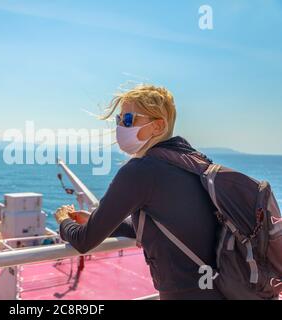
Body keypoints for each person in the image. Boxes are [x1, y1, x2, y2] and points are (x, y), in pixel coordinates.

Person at [54, 84, 224, 300]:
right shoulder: (195, 162)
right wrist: (100, 223)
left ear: (157, 126)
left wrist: (62, 221)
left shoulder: (139, 171)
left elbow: (83, 241)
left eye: (128, 120)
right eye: (119, 120)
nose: (120, 127)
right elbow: (168, 226)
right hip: (220, 289)